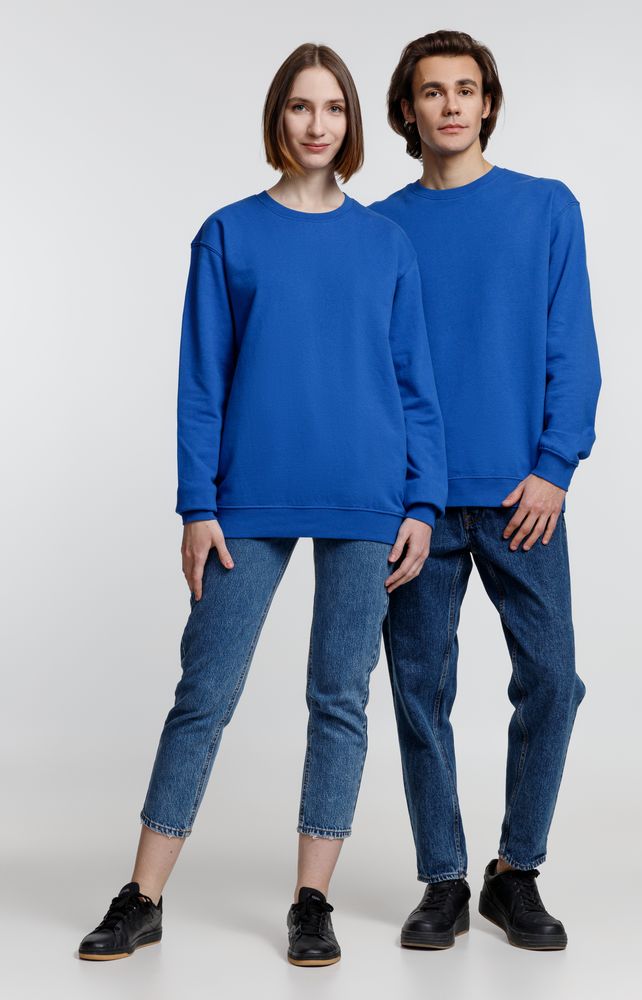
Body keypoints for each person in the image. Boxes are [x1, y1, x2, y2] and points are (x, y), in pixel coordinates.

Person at [77, 42, 447, 967]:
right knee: (205, 692)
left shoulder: (386, 244)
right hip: (247, 496)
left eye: (333, 108)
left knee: (340, 699)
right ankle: (142, 896)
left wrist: (424, 503)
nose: (317, 124)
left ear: (352, 122)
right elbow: (201, 382)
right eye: (300, 107)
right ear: (278, 117)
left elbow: (416, 387)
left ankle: (311, 901)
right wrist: (196, 506)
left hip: (368, 495)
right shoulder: (228, 234)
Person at [369, 29, 602, 951]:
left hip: (522, 499)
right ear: (408, 110)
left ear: (489, 103)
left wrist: (555, 467)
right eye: (433, 91)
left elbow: (571, 345)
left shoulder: (546, 208)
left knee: (552, 681)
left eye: (466, 89)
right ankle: (444, 878)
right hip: (417, 506)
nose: (452, 105)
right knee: (419, 691)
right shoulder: (379, 227)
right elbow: (371, 371)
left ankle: (516, 871)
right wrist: (398, 495)